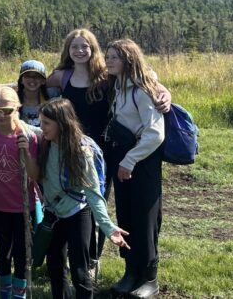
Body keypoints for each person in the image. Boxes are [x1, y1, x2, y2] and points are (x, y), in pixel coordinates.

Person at [45, 28, 171, 281]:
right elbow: (30, 83)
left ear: (94, 50)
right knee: (71, 201)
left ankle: (92, 259)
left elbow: (147, 80)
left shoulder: (106, 76)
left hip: (104, 152)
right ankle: (72, 256)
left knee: (97, 204)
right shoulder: (62, 76)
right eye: (74, 47)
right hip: (70, 149)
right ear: (67, 51)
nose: (80, 51)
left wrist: (166, 93)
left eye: (85, 46)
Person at [25, 98, 130, 298]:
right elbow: (23, 127)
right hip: (54, 213)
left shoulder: (82, 152)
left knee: (79, 271)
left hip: (77, 214)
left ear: (62, 123)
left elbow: (93, 193)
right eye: (40, 122)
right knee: (55, 267)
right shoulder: (47, 141)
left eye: (46, 123)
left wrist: (108, 227)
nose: (41, 127)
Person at [105, 39, 165, 298]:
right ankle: (131, 272)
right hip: (124, 160)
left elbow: (155, 134)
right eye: (107, 57)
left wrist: (129, 161)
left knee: (145, 219)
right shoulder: (119, 86)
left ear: (128, 60)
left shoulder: (141, 90)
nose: (108, 61)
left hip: (142, 162)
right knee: (127, 216)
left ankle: (149, 279)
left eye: (114, 57)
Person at [0, 87, 41, 299]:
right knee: (3, 252)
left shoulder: (28, 135)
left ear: (18, 108)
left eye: (6, 111)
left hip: (24, 207)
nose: (1, 116)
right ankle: (5, 292)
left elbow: (35, 175)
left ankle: (19, 294)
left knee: (22, 254)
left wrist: (26, 153)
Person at [16, 60, 48, 127]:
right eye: (27, 76)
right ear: (21, 80)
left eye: (36, 76)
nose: (32, 79)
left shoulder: (50, 96)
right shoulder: (13, 98)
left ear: (43, 81)